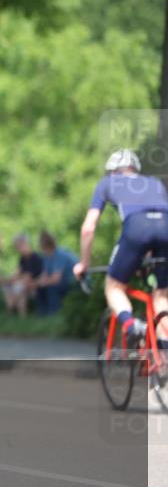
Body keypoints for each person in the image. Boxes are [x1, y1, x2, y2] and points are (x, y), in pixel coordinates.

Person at [73, 149, 168, 348]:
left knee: (114, 286)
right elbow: (158, 223)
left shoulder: (107, 183)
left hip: (136, 229)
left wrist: (84, 263)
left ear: (112, 171)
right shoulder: (154, 183)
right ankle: (164, 360)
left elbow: (88, 228)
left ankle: (132, 327)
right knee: (161, 295)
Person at [0, 234, 42, 318]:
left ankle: (20, 315)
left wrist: (3, 280)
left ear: (25, 244)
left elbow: (27, 277)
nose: (18, 249)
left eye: (19, 246)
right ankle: (10, 312)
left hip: (34, 286)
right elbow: (16, 274)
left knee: (18, 287)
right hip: (25, 284)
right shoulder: (22, 259)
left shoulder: (35, 258)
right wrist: (3, 280)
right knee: (7, 286)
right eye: (17, 246)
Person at [35, 231, 77, 316]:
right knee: (39, 287)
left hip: (74, 282)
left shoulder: (60, 254)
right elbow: (44, 275)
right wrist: (35, 283)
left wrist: (42, 282)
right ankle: (43, 312)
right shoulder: (46, 256)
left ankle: (54, 312)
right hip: (62, 281)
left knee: (51, 286)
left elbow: (55, 279)